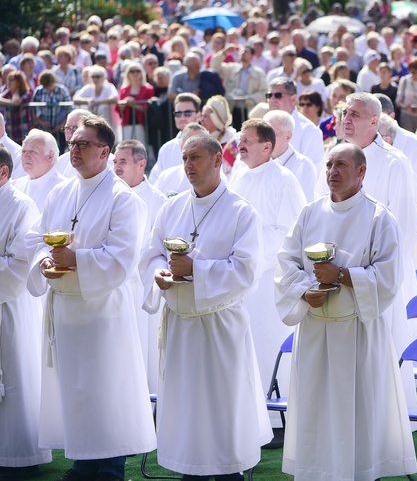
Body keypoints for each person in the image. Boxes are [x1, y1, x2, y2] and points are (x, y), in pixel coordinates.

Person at [275, 143, 417, 480]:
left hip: (357, 333)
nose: (332, 172)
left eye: (341, 165)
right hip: (315, 328)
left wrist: (342, 275)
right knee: (315, 410)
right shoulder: (310, 212)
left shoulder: (379, 217)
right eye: (328, 165)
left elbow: (389, 277)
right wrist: (304, 289)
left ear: (361, 172)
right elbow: (287, 263)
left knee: (358, 412)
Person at [25, 115, 156, 481]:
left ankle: (110, 466)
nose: (74, 150)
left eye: (83, 144)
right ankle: (84, 462)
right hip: (65, 309)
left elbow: (124, 257)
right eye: (72, 144)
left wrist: (76, 260)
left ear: (104, 151)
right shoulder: (60, 192)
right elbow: (36, 240)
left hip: (102, 311)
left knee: (105, 389)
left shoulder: (123, 199)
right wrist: (45, 262)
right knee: (75, 391)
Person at [140, 134, 272, 479]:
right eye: (184, 158)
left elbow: (246, 271)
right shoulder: (173, 206)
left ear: (217, 160)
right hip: (181, 325)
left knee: (222, 408)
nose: (187, 166)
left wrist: (195, 269)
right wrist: (160, 272)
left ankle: (229, 472)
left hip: (219, 327)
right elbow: (151, 253)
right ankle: (190, 471)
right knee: (187, 409)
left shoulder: (241, 211)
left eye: (195, 158)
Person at [229, 119, 306, 430]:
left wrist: (250, 254)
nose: (241, 145)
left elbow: (289, 232)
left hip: (268, 281)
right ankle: (247, 414)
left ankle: (276, 420)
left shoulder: (284, 180)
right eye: (240, 140)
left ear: (267, 146)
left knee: (268, 344)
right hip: (240, 280)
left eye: (247, 140)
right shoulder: (238, 176)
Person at [0, 145, 51, 480]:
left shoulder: (22, 206)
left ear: (3, 173)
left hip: (11, 309)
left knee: (15, 379)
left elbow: (19, 266)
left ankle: (19, 456)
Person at [113, 139, 166, 391]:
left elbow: (160, 246)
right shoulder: (110, 195)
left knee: (147, 354)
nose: (116, 167)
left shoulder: (159, 201)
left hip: (144, 287)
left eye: (122, 161)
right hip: (115, 287)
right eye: (114, 162)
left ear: (141, 164)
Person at [266, 77, 325, 168]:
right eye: (269, 96)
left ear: (293, 99)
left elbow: (312, 171)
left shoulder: (309, 130)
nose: (272, 100)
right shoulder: (262, 126)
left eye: (278, 95)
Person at [263, 110, 317, 202]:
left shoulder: (303, 166)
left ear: (288, 137)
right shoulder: (256, 161)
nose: (266, 138)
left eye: (273, 134)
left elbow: (305, 205)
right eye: (263, 133)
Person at [149, 93, 202, 182]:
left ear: (198, 116)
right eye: (178, 114)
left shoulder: (211, 146)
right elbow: (155, 181)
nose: (182, 118)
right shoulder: (166, 149)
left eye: (187, 113)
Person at [11, 129, 65, 210]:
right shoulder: (15, 186)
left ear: (50, 156)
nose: (26, 156)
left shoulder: (64, 189)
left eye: (32, 151)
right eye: (23, 151)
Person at [153, 123, 210, 197]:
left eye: (200, 144)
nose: (194, 148)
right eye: (189, 143)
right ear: (181, 146)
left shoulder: (216, 177)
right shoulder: (166, 177)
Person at [32, 70, 71, 151]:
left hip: (60, 129)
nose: (49, 88)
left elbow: (69, 109)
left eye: (50, 85)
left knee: (60, 150)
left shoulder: (62, 91)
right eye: (46, 86)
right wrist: (41, 122)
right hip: (43, 128)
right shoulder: (39, 91)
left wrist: (60, 125)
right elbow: (33, 110)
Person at [395, 57, 417, 133]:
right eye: (414, 72)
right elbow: (398, 101)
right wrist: (405, 106)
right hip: (407, 115)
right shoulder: (405, 81)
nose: (416, 75)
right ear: (410, 70)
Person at [0, 71, 34, 144]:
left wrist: (16, 92)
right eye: (8, 79)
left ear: (19, 82)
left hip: (23, 130)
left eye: (11, 80)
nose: (8, 82)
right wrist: (11, 102)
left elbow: (16, 102)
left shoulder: (26, 94)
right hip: (11, 130)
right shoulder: (7, 93)